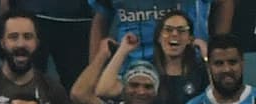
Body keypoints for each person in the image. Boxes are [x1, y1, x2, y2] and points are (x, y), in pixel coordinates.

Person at [89, 0, 221, 72]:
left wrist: (221, 50)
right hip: (129, 74)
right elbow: (101, 15)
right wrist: (94, 70)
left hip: (186, 71)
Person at [150, 10, 211, 104]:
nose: (174, 34)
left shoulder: (200, 71)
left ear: (190, 39)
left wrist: (206, 57)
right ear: (158, 37)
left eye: (181, 30)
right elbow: (106, 89)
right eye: (168, 29)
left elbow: (217, 99)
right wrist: (123, 50)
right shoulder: (148, 72)